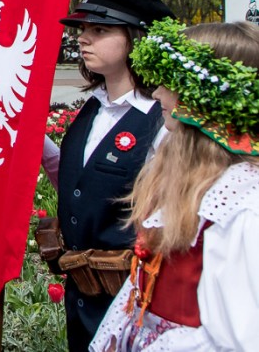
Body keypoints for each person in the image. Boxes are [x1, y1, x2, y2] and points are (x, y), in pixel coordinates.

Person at [91, 20, 259, 351]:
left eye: (170, 83)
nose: (157, 93)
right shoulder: (197, 188)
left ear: (204, 97)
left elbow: (242, 338)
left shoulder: (240, 208)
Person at [54, 0, 173, 352]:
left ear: (137, 38)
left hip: (134, 304)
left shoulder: (162, 121)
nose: (83, 39)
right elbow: (79, 183)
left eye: (100, 30)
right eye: (82, 29)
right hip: (83, 299)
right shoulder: (94, 107)